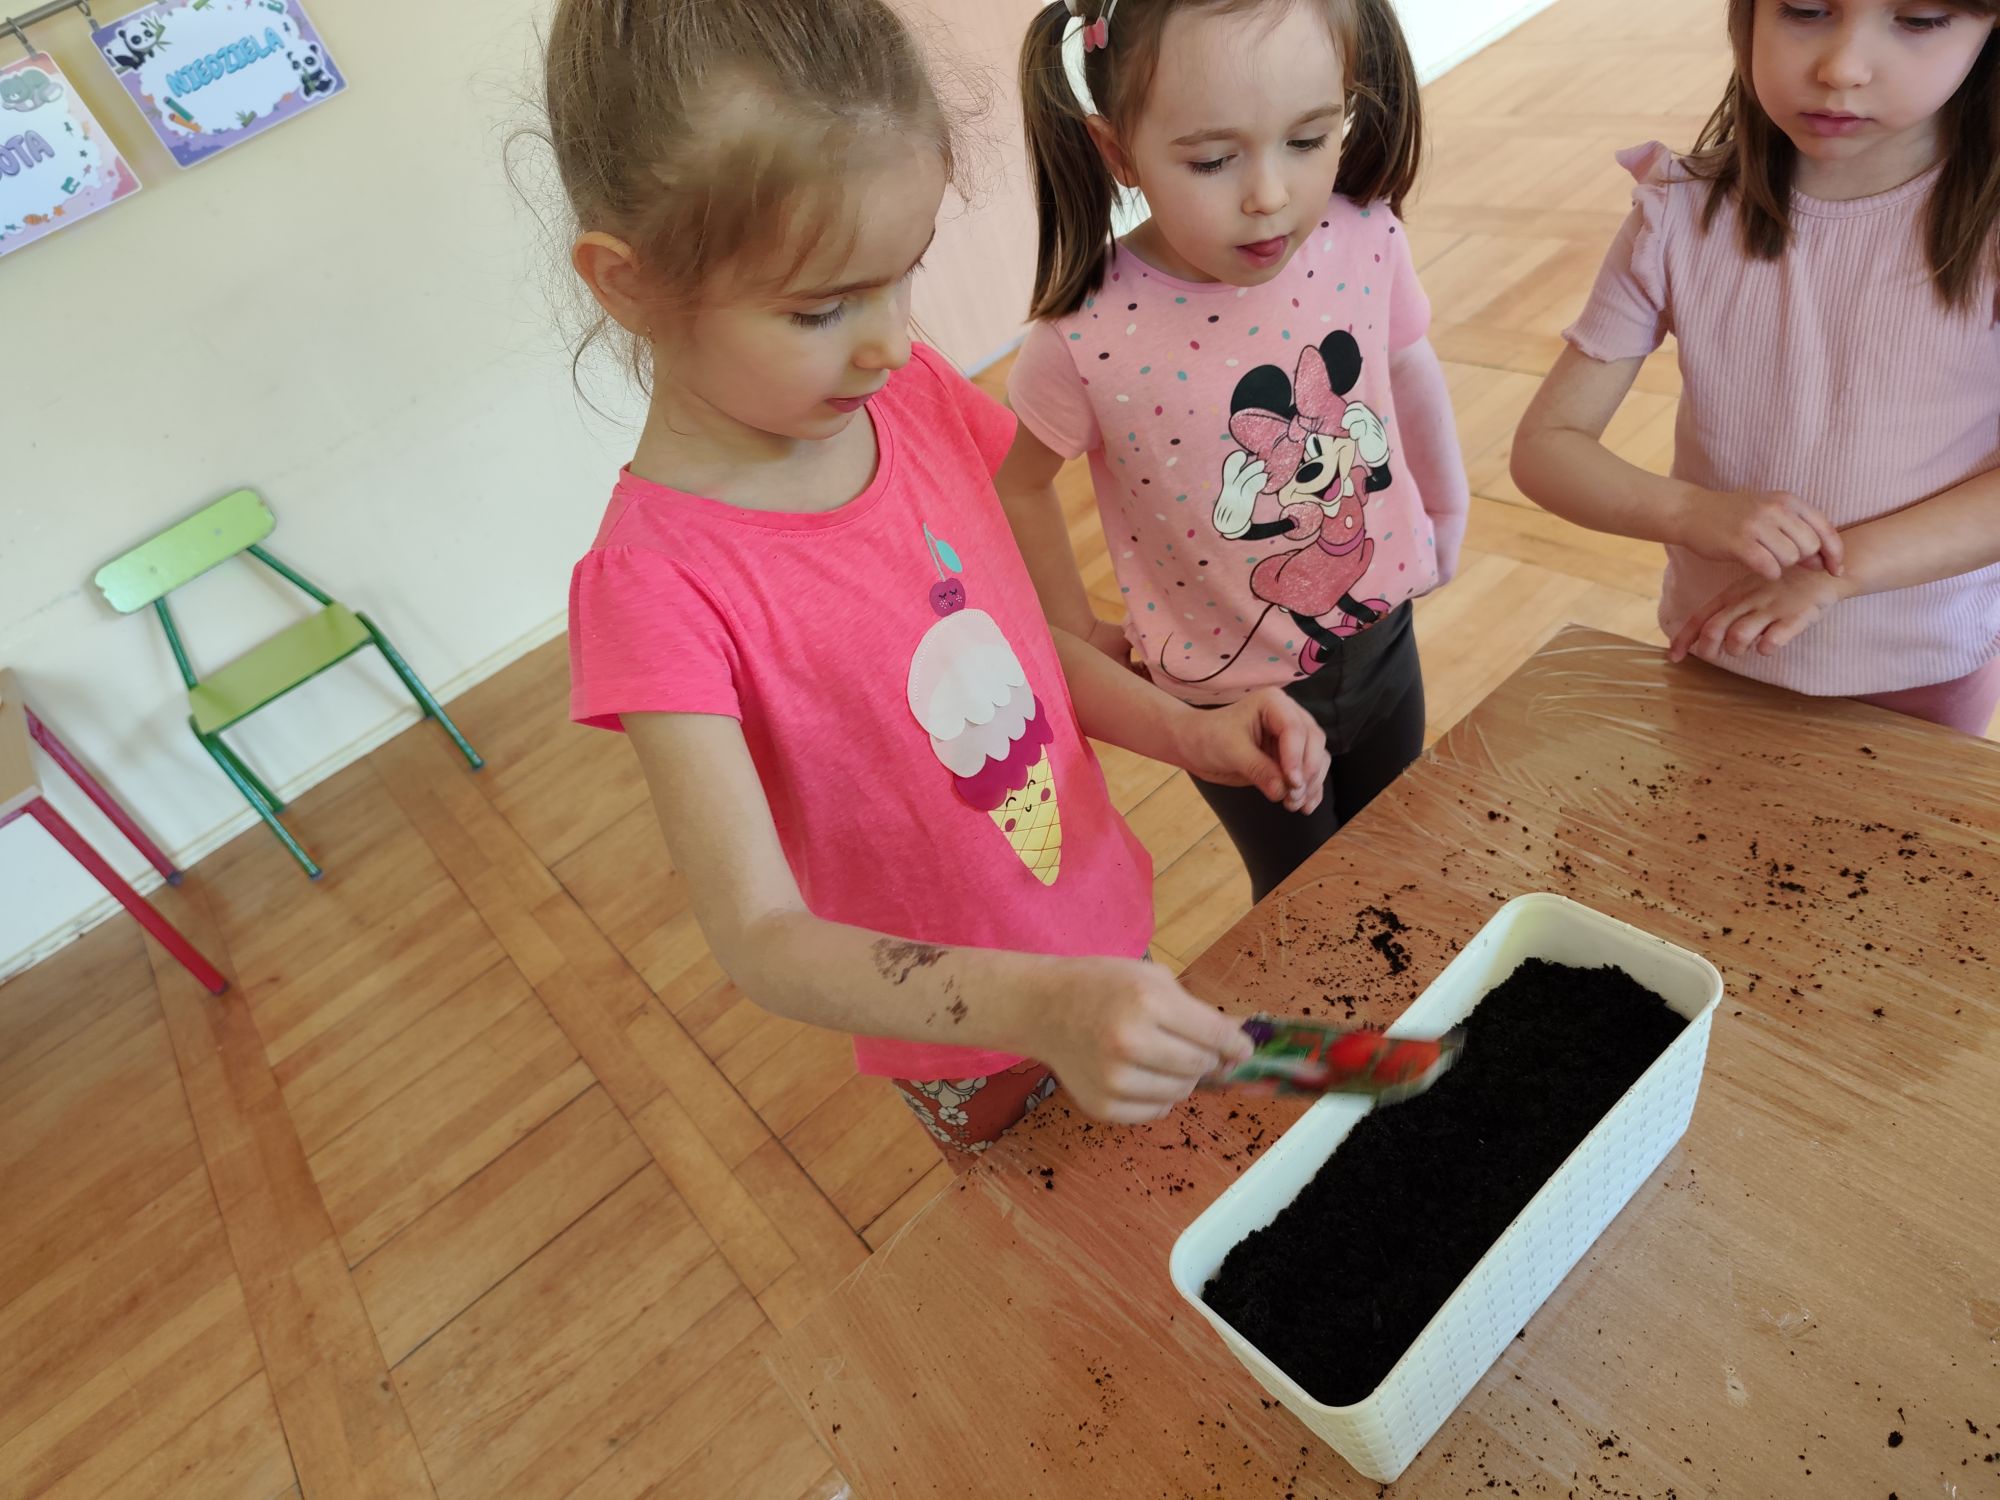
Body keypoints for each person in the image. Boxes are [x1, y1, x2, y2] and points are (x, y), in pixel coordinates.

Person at [544, 0, 1335, 1160]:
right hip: (968, 1042)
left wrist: (1189, 732)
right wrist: (1036, 1007)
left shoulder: (908, 395)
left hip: (1092, 940)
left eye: (900, 276)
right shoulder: (653, 587)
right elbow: (760, 936)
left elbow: (1021, 657)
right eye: (819, 308)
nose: (887, 340)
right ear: (627, 282)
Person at [1001, 0, 1471, 901]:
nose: (1268, 195)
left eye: (1308, 139)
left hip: (1380, 629)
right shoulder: (1085, 335)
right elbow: (1018, 483)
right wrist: (1075, 630)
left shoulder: (1366, 237)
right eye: (1213, 160)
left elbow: (1405, 363)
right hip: (1227, 695)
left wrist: (1445, 508)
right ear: (1117, 151)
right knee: (1301, 899)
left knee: (1401, 845)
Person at [1513, 0, 2000, 736]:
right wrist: (1690, 513)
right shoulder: (1676, 214)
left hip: (1925, 665)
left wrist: (1838, 576)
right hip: (1720, 646)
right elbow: (1546, 447)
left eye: (1921, 19)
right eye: (1805, 9)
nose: (1842, 68)